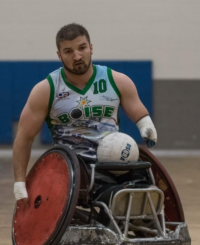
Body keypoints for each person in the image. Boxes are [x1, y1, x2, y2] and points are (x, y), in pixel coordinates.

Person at [13, 23, 157, 202]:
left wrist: (146, 126)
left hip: (116, 157)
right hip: (75, 167)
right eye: (68, 51)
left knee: (146, 185)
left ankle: (146, 219)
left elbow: (140, 113)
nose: (77, 56)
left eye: (82, 48)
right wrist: (19, 182)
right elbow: (24, 138)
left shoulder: (117, 80)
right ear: (59, 55)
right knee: (111, 195)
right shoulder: (46, 89)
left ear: (91, 47)